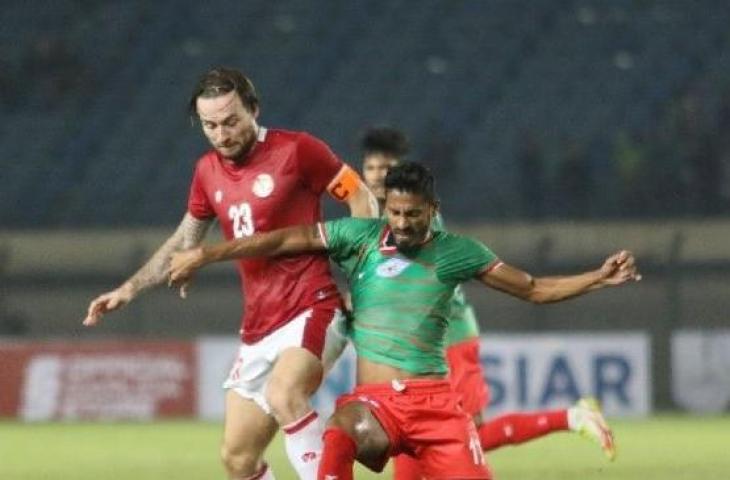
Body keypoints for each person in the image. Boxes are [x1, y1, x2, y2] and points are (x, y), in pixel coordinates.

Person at [167, 162, 641, 480]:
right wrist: (206, 254)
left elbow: (534, 289)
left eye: (413, 214)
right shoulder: (360, 237)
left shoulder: (459, 252)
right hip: (376, 404)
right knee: (339, 430)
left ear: (432, 210)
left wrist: (598, 278)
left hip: (435, 405)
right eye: (394, 212)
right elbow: (278, 241)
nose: (402, 222)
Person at [82, 67, 378, 480]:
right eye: (211, 126)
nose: (222, 134)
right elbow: (185, 239)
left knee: (284, 394)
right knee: (237, 459)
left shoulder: (298, 150)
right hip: (259, 326)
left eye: (231, 121)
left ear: (254, 109)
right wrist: (129, 289)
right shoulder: (207, 171)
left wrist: (364, 281)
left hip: (313, 307)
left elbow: (361, 198)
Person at [359, 128, 617, 479]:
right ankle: (573, 417)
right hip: (411, 352)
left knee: (452, 435)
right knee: (437, 439)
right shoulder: (379, 221)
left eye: (386, 167)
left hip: (447, 340)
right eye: (371, 168)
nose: (378, 175)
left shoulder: (413, 223)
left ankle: (572, 417)